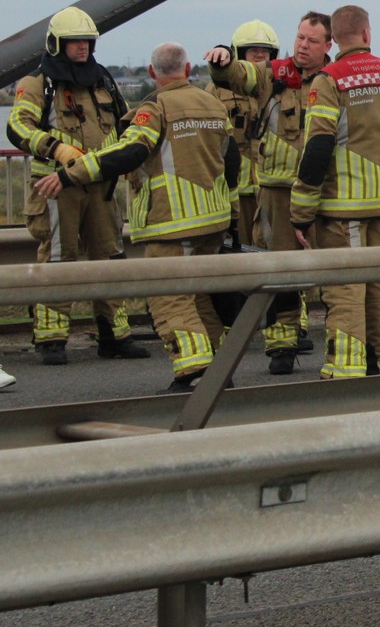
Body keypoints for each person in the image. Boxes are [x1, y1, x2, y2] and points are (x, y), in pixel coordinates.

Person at [35, 43, 238, 391]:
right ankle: (220, 372)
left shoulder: (154, 107)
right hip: (214, 220)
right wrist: (231, 213)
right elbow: (230, 162)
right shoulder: (214, 104)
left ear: (151, 72)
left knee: (169, 298)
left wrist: (71, 174)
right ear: (188, 69)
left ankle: (195, 372)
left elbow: (129, 152)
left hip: (172, 222)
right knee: (201, 298)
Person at [290, 5, 380, 379]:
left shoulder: (328, 79)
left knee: (346, 291)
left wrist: (301, 214)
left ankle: (345, 371)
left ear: (333, 40)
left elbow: (318, 148)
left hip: (342, 210)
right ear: (368, 34)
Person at [5, 6, 149, 364]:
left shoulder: (103, 80)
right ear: (58, 44)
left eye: (87, 41)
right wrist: (56, 148)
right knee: (58, 259)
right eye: (75, 42)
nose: (83, 48)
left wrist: (131, 164)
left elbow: (124, 124)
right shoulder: (38, 84)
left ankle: (114, 336)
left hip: (100, 185)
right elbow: (18, 127)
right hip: (57, 187)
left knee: (109, 257)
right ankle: (52, 339)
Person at [205, 11, 333, 374]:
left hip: (327, 190)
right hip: (279, 189)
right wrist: (223, 62)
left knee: (337, 273)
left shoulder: (335, 79)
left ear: (328, 44)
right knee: (281, 270)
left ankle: (345, 344)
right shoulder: (274, 76)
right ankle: (282, 345)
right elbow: (240, 75)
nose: (303, 46)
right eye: (299, 38)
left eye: (311, 41)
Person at [206, 20, 277, 250]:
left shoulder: (280, 87)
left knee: (272, 246)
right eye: (253, 50)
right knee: (240, 248)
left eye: (265, 51)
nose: (259, 56)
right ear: (238, 53)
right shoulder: (216, 90)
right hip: (236, 189)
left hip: (270, 185)